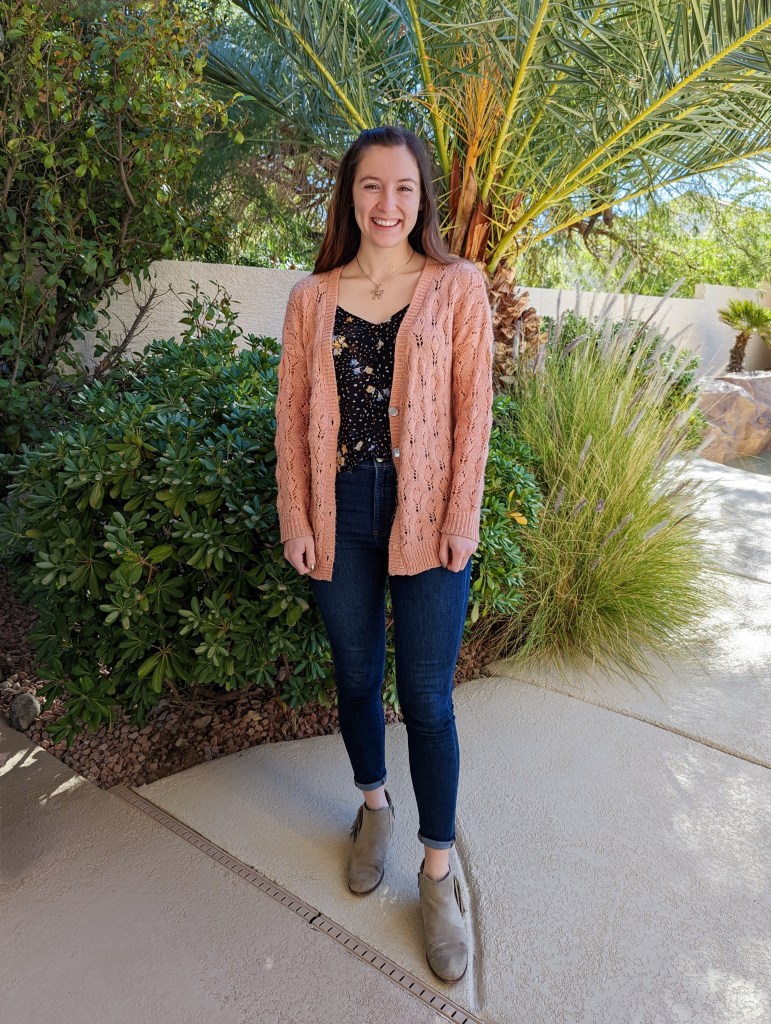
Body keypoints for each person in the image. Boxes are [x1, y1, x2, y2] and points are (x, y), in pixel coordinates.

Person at [274, 125, 493, 982]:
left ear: (422, 200)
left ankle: (436, 878)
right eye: (371, 187)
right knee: (355, 677)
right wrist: (297, 514)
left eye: (403, 189)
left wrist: (459, 518)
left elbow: (472, 417)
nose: (387, 204)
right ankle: (374, 807)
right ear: (348, 195)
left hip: (427, 513)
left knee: (429, 702)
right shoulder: (310, 298)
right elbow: (292, 418)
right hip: (338, 512)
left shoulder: (455, 286)